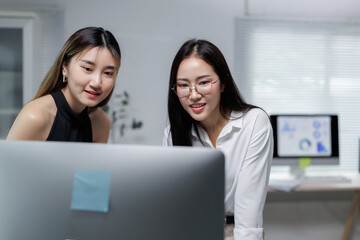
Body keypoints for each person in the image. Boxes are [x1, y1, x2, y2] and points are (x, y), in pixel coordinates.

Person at [163, 39, 273, 240]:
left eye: (204, 82)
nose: (194, 95)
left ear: (223, 83)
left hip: (235, 232)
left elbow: (248, 210)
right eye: (183, 85)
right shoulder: (174, 133)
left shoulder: (254, 122)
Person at [7, 27, 121, 142]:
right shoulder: (35, 116)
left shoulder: (100, 122)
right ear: (65, 68)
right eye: (87, 69)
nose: (96, 83)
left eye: (108, 73)